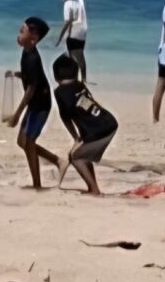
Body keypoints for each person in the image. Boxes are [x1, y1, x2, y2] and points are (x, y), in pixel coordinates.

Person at [3, 16, 63, 189]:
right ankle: (57, 161)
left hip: (41, 104)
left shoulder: (32, 58)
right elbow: (30, 76)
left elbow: (31, 89)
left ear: (33, 38)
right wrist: (17, 74)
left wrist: (16, 115)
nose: (18, 34)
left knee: (28, 142)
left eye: (22, 31)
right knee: (22, 142)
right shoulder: (26, 51)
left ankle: (37, 184)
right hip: (35, 104)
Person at [51, 53, 119, 195]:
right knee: (83, 155)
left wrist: (76, 137)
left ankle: (94, 190)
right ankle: (93, 186)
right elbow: (85, 108)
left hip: (98, 130)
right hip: (109, 122)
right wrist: (81, 138)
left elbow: (65, 117)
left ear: (56, 76)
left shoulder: (59, 92)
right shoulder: (80, 85)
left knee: (75, 157)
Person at [59, 0, 90, 81]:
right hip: (83, 31)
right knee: (80, 55)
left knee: (73, 57)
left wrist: (61, 36)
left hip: (74, 34)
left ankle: (74, 79)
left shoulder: (67, 4)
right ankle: (84, 78)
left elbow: (68, 22)